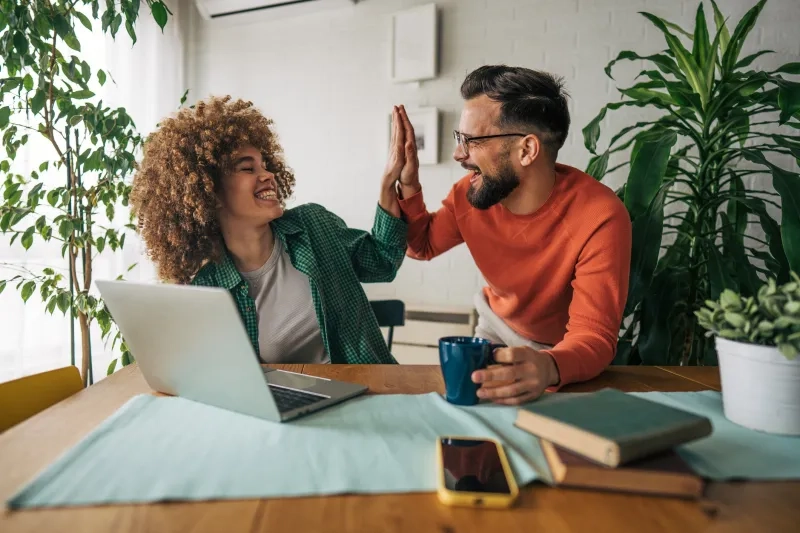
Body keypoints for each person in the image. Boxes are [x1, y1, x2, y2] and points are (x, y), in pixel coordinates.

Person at [394, 65, 632, 403]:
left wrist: (548, 366)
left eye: (472, 140)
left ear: (527, 150)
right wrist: (408, 182)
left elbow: (593, 336)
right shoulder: (469, 195)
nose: (458, 154)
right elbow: (423, 245)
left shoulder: (600, 216)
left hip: (564, 354)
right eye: (459, 139)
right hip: (494, 331)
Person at [130, 96, 415, 364]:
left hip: (369, 395)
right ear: (210, 193)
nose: (268, 175)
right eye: (247, 169)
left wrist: (390, 182)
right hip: (287, 412)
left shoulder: (314, 225)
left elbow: (383, 261)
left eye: (265, 165)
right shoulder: (207, 289)